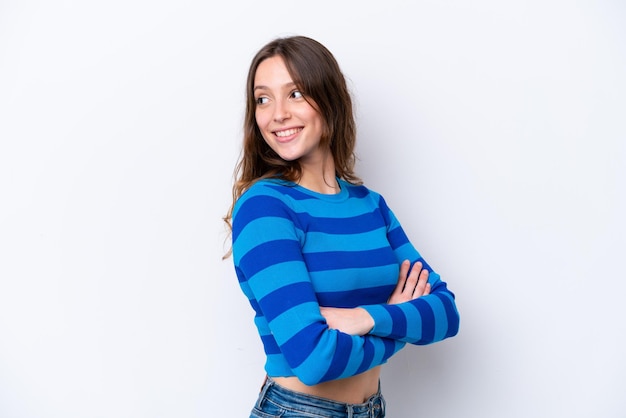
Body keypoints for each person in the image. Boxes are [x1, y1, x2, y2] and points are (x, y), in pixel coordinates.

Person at [223, 35, 460, 418]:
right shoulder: (265, 208)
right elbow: (314, 360)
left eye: (295, 94)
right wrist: (398, 326)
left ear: (329, 100)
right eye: (263, 99)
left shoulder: (371, 205)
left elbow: (446, 314)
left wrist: (361, 318)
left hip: (373, 409)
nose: (277, 113)